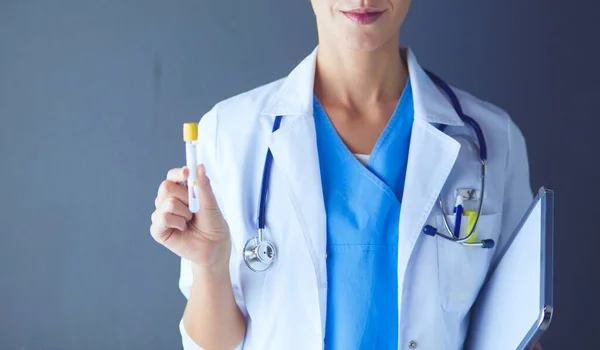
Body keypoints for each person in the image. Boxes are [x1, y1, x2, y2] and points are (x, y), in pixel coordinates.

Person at [150, 1, 539, 349]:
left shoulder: (492, 139)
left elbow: (512, 326)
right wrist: (212, 264)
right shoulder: (229, 133)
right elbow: (214, 346)